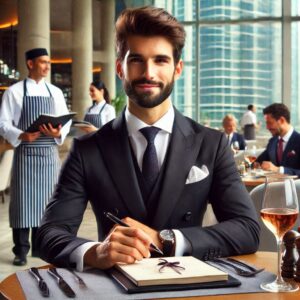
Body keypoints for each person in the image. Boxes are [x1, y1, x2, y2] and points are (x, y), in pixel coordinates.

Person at [37, 7, 259, 271]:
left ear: (178, 69)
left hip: (189, 287)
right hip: (116, 288)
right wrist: (96, 251)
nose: (148, 73)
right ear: (120, 68)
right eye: (137, 60)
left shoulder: (211, 144)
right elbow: (47, 235)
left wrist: (168, 239)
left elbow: (247, 229)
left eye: (160, 60)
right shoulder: (88, 149)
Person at [0, 48, 71, 266]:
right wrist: (21, 134)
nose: (47, 66)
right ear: (30, 64)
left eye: (49, 62)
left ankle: (41, 249)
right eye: (43, 62)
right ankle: (20, 251)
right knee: (22, 205)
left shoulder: (55, 92)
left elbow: (65, 122)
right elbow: (3, 123)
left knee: (46, 205)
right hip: (25, 153)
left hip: (49, 155)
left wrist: (59, 132)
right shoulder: (14, 92)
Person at [255, 103, 300, 176]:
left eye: (270, 123)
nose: (267, 127)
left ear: (282, 120)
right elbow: (258, 161)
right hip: (271, 186)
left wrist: (279, 170)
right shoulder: (272, 141)